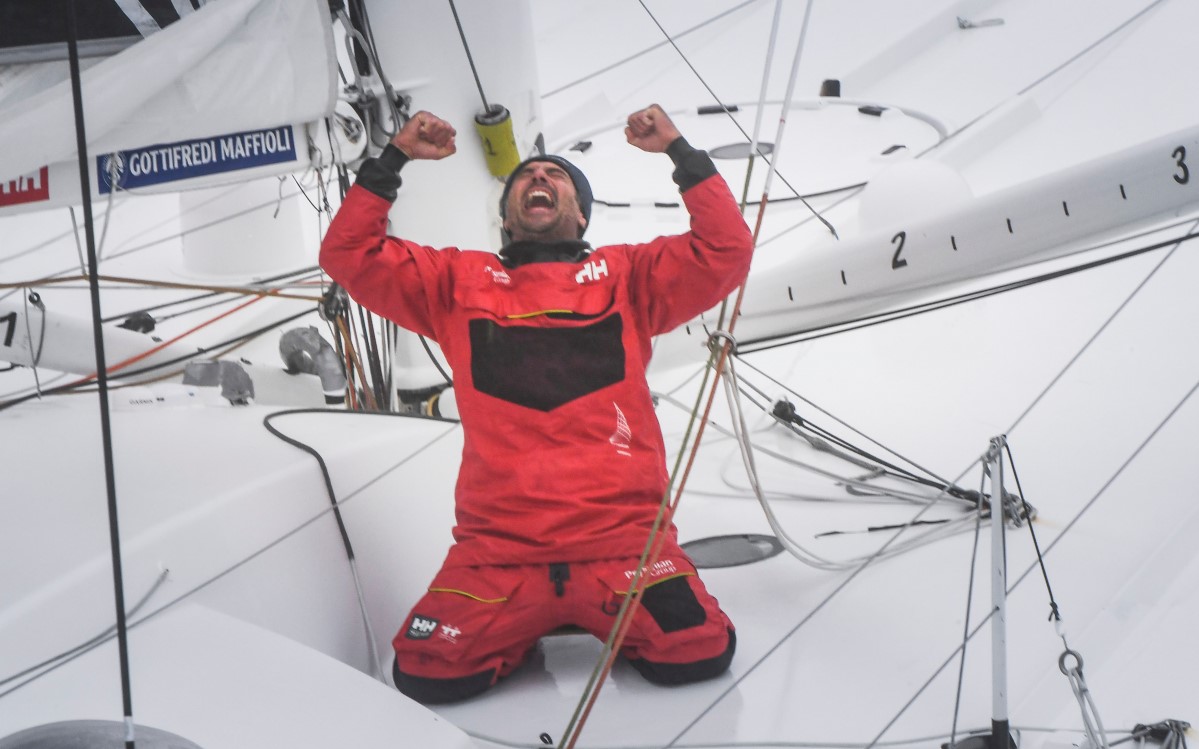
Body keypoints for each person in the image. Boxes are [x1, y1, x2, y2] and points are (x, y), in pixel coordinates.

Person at [320, 104, 754, 704]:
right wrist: (393, 158)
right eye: (526, 176)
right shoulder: (454, 281)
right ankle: (527, 623)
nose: (540, 177)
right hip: (498, 556)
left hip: (625, 545)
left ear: (581, 214)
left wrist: (680, 152)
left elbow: (725, 248)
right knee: (428, 671)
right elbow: (349, 254)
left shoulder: (630, 276)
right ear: (506, 219)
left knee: (696, 652)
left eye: (557, 175)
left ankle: (564, 618)